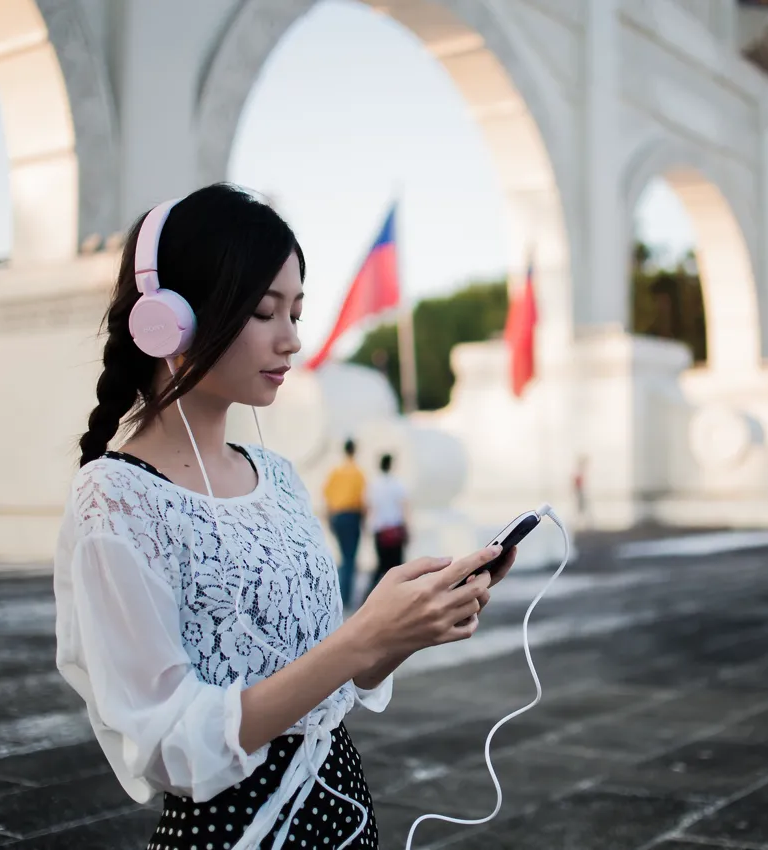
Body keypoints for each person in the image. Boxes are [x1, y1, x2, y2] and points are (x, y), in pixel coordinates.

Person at [52, 184, 516, 850]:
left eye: (297, 311)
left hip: (341, 806)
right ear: (170, 319)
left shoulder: (278, 477)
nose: (293, 340)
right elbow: (169, 747)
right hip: (235, 829)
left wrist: (402, 630)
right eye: (265, 311)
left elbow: (330, 678)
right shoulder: (118, 500)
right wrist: (358, 641)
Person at [323, 438, 366, 608]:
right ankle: (345, 597)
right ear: (354, 450)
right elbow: (362, 499)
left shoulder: (336, 471)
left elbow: (327, 495)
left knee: (342, 556)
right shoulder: (357, 472)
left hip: (337, 516)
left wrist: (329, 518)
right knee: (350, 557)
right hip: (352, 516)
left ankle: (340, 594)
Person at [366, 453, 409, 595]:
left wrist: (368, 527)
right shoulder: (397, 484)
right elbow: (403, 507)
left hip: (379, 530)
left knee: (381, 565)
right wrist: (407, 530)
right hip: (395, 530)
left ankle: (370, 594)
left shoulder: (373, 484)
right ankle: (400, 595)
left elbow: (369, 507)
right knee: (397, 567)